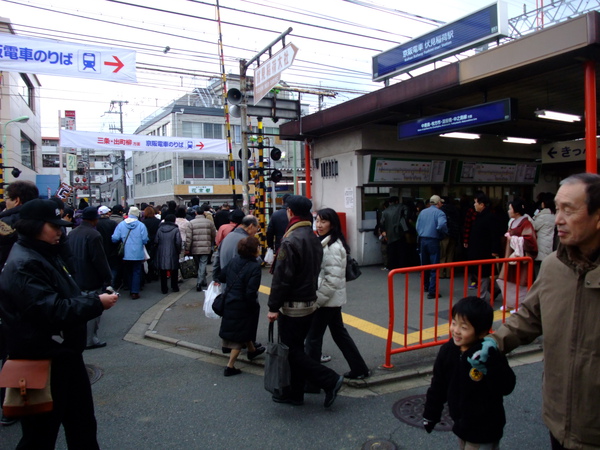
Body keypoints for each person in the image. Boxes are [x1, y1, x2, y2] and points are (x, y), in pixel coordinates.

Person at [469, 173, 600, 449]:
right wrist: (496, 341)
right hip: (557, 419)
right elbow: (529, 315)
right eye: (556, 208)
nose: (558, 219)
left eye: (569, 210)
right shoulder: (554, 266)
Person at [0, 199, 118, 448]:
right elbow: (52, 310)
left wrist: (89, 300)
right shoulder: (25, 263)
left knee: (82, 426)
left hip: (64, 357)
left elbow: (65, 295)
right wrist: (97, 303)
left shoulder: (43, 254)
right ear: (33, 226)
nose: (60, 231)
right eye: (53, 225)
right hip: (43, 363)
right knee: (40, 436)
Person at [267, 195, 343, 408]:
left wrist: (273, 306)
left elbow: (282, 278)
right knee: (296, 349)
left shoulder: (290, 240)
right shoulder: (312, 236)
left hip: (293, 305)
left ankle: (330, 379)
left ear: (290, 212)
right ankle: (294, 393)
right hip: (310, 301)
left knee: (292, 352)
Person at [423, 297, 515, 449]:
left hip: (485, 427)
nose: (456, 330)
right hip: (460, 423)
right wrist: (431, 414)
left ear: (482, 332)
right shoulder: (448, 351)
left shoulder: (487, 354)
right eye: (453, 323)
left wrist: (491, 366)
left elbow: (507, 386)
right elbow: (438, 385)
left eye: (464, 327)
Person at [305, 208, 370, 383]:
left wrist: (317, 301)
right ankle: (359, 368)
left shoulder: (333, 247)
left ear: (332, 224)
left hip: (326, 300)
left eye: (323, 221)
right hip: (331, 300)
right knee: (339, 334)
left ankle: (312, 380)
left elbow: (332, 280)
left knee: (313, 338)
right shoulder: (327, 241)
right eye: (317, 220)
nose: (319, 225)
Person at [217, 236, 265, 376]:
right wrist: (253, 306)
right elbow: (251, 291)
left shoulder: (233, 260)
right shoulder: (254, 266)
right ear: (254, 250)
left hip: (230, 300)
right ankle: (230, 366)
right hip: (243, 304)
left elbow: (221, 277)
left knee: (243, 330)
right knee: (239, 336)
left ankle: (252, 351)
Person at [67, 206, 113, 350]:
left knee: (79, 308)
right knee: (93, 308)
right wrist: (107, 277)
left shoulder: (72, 233)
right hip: (91, 276)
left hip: (75, 276)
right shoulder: (93, 235)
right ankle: (90, 339)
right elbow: (99, 259)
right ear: (95, 219)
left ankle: (79, 337)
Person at [498, 198, 537, 310]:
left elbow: (530, 240)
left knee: (521, 280)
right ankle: (510, 303)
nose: (508, 211)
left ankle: (521, 305)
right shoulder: (514, 222)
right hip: (511, 255)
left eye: (510, 209)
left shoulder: (526, 223)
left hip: (521, 257)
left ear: (517, 211)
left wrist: (513, 238)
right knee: (508, 279)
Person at [466, 193, 503, 298]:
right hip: (477, 251)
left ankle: (481, 297)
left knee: (483, 274)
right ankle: (495, 289)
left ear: (482, 204)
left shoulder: (490, 217)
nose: (474, 205)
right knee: (480, 274)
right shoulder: (479, 216)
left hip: (484, 251)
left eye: (476, 202)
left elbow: (495, 235)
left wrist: (495, 250)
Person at [111, 206, 149, 299]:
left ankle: (129, 286)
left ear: (128, 214)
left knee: (128, 271)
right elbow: (145, 240)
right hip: (138, 253)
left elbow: (115, 238)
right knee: (137, 271)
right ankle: (135, 291)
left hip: (125, 253)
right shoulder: (141, 225)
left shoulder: (121, 224)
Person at [416, 195, 448, 299]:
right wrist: (442, 234)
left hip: (422, 239)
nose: (442, 204)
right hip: (433, 240)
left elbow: (417, 226)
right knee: (434, 266)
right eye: (441, 202)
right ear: (438, 203)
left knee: (424, 265)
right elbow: (442, 225)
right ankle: (432, 291)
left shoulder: (423, 212)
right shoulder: (440, 213)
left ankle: (426, 286)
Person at [187, 205, 216, 291]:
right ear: (203, 213)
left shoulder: (191, 223)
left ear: (195, 213)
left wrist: (187, 248)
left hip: (195, 247)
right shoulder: (209, 223)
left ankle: (199, 282)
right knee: (203, 264)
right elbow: (213, 234)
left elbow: (189, 237)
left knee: (198, 265)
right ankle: (202, 281)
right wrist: (211, 243)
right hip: (206, 246)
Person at [380, 196, 410, 270]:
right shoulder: (402, 207)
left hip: (389, 234)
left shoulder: (385, 211)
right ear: (397, 201)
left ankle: (392, 267)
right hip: (400, 233)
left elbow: (382, 223)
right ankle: (402, 266)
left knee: (391, 251)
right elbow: (407, 215)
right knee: (401, 251)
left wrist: (384, 231)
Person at [154, 214, 182, 294]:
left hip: (161, 251)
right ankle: (174, 286)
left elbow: (156, 240)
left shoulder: (160, 229)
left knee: (163, 271)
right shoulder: (176, 229)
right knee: (174, 269)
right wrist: (178, 250)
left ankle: (164, 288)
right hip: (173, 251)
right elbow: (178, 242)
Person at [533, 192, 556, 274]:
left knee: (539, 270)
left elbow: (533, 227)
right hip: (549, 246)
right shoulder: (553, 215)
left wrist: (534, 217)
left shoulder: (543, 216)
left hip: (541, 246)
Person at [141, 206, 161, 282]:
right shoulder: (158, 221)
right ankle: (155, 274)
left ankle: (148, 275)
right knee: (155, 258)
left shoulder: (143, 223)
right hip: (156, 242)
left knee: (147, 259)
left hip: (147, 243)